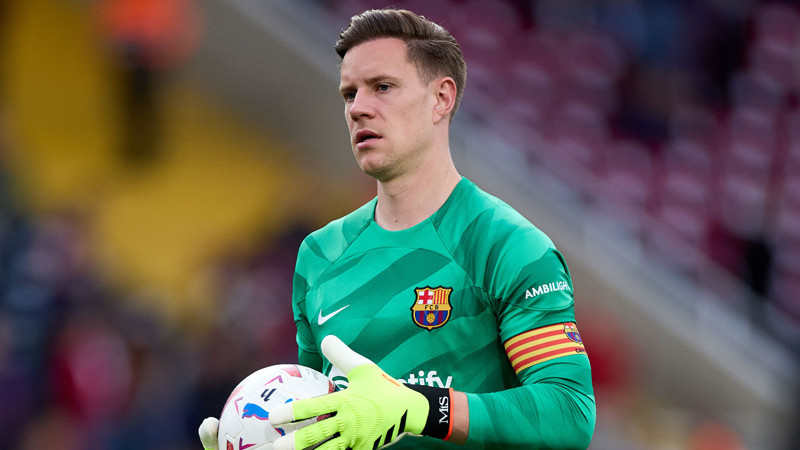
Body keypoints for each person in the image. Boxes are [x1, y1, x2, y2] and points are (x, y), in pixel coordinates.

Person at [200, 7, 595, 449]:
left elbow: (569, 412)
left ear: (441, 99)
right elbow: (317, 421)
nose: (358, 109)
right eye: (349, 94)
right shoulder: (320, 254)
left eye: (382, 87)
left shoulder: (507, 245)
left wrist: (422, 409)